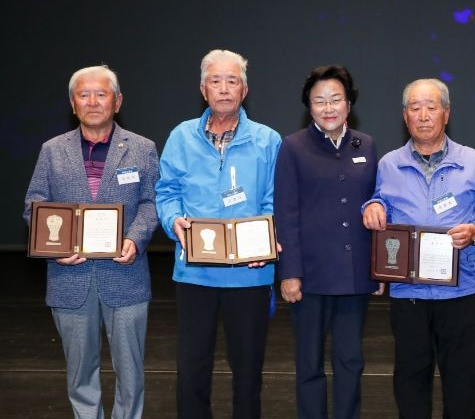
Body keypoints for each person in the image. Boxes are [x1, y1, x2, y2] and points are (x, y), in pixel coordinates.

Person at [23, 65, 159, 419]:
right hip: (69, 278)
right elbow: (34, 205)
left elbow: (152, 203)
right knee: (79, 373)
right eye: (84, 95)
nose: (93, 101)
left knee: (131, 372)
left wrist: (135, 238)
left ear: (118, 101)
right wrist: (55, 247)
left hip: (126, 275)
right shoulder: (52, 150)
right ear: (73, 104)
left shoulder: (142, 148)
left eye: (101, 94)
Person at [363, 78, 475, 418]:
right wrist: (372, 206)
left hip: (461, 290)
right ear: (405, 116)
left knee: (463, 381)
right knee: (410, 380)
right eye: (415, 108)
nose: (423, 115)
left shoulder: (474, 161)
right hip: (408, 292)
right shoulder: (389, 164)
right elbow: (380, 201)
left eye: (431, 107)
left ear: (446, 113)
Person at [155, 49, 282, 419]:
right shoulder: (181, 137)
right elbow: (167, 192)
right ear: (203, 89)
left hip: (250, 274)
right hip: (195, 273)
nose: (224, 88)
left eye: (232, 81)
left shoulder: (268, 140)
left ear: (244, 90)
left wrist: (266, 239)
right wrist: (173, 221)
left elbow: (276, 199)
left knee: (248, 373)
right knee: (192, 371)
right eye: (215, 81)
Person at [274, 65, 381, 419]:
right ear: (309, 106)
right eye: (319, 101)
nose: (328, 107)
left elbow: (377, 204)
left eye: (336, 99)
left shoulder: (366, 144)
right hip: (310, 276)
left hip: (355, 275)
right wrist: (290, 272)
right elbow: (286, 212)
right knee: (309, 363)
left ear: (349, 103)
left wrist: (380, 268)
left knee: (351, 360)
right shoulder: (293, 147)